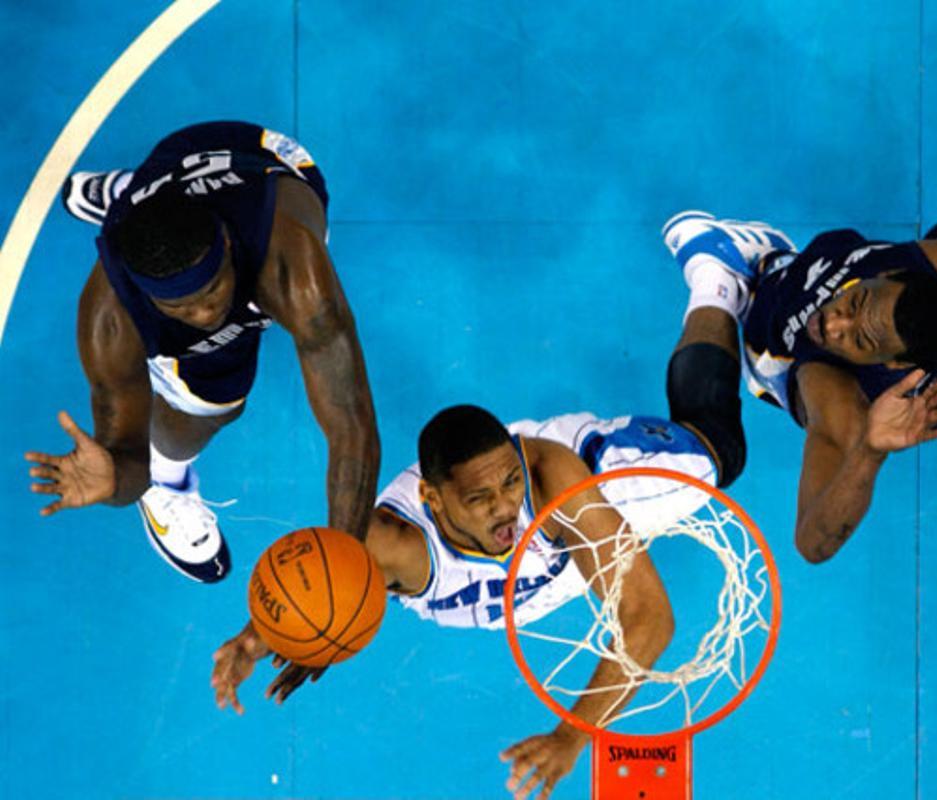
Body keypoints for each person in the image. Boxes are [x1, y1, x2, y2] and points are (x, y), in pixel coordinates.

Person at [659, 60, 937, 590]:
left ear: (894, 364)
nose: (833, 325)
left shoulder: (831, 388)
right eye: (854, 303)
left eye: (859, 338)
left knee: (757, 351)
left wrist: (870, 452)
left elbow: (812, 543)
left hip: (779, 327)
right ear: (892, 275)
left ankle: (726, 275)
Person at [211, 405, 724, 800]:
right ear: (433, 499)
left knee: (713, 459)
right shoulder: (390, 544)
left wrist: (571, 736)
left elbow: (649, 619)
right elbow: (312, 584)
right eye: (480, 499)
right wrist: (259, 637)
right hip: (534, 575)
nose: (504, 509)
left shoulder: (546, 482)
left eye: (508, 484)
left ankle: (716, 297)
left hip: (585, 504)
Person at [25, 122, 380, 582]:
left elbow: (351, 426)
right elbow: (131, 460)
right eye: (181, 307)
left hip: (270, 164)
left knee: (265, 316)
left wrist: (343, 561)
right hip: (185, 173)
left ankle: (135, 194)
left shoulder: (291, 263)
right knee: (213, 403)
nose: (205, 314)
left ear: (228, 244)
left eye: (212, 291)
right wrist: (115, 478)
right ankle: (170, 480)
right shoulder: (111, 318)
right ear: (143, 294)